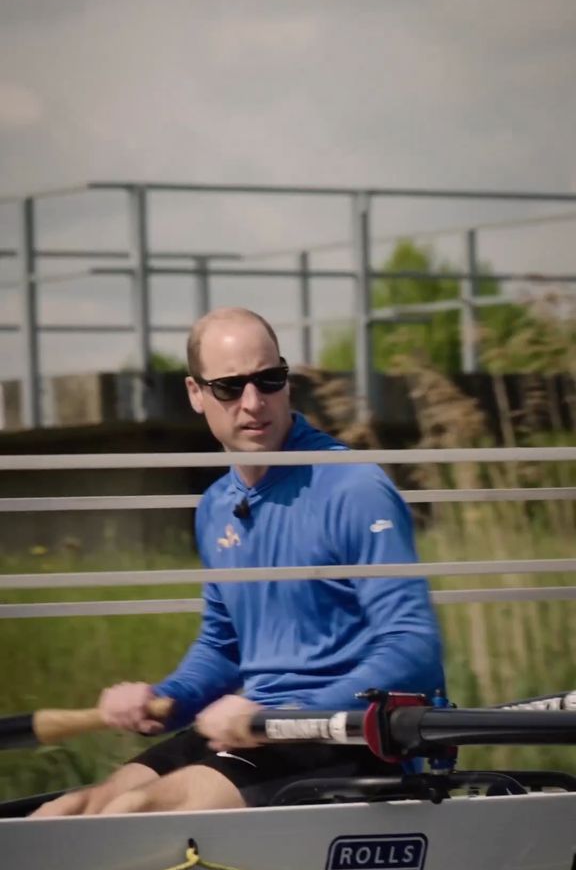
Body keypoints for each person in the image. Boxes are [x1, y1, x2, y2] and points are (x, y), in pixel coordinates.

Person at [34, 306, 444, 817]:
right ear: (195, 393)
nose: (254, 403)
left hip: (343, 734)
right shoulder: (215, 506)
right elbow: (223, 647)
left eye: (270, 380)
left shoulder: (353, 486)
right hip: (256, 729)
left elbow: (414, 649)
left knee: (131, 814)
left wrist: (281, 713)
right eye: (230, 387)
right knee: (73, 811)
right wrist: (161, 698)